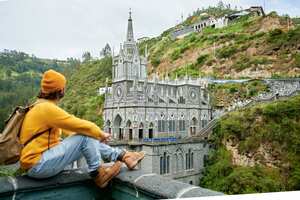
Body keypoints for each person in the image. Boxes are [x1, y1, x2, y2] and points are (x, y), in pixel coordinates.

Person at [19, 69, 145, 188]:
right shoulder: (46, 108)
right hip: (39, 165)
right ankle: (99, 175)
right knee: (85, 136)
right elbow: (77, 124)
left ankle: (126, 156)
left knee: (86, 137)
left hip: (38, 164)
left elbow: (71, 129)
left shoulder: (39, 105)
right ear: (60, 90)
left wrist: (94, 138)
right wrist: (100, 134)